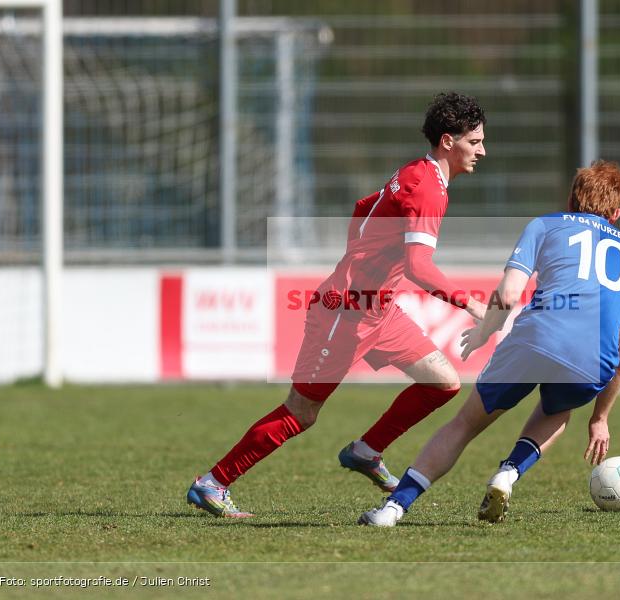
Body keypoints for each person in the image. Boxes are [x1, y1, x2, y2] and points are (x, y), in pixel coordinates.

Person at [186, 92, 487, 517]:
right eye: (474, 142)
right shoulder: (428, 191)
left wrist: (366, 262)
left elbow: (362, 209)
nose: (482, 151)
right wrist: (468, 303)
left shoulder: (417, 174)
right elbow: (419, 266)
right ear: (447, 141)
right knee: (301, 412)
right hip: (346, 312)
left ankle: (367, 451)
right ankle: (212, 482)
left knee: (442, 382)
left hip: (378, 310)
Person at [358, 160, 620, 527]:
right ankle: (508, 473)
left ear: (572, 198)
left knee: (464, 425)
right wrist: (600, 418)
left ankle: (393, 509)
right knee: (558, 410)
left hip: (535, 338)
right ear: (617, 213)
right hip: (591, 360)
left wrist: (482, 333)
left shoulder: (545, 224)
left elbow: (508, 295)